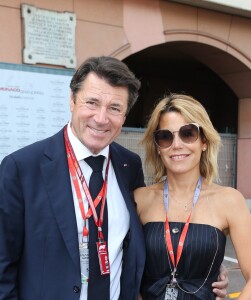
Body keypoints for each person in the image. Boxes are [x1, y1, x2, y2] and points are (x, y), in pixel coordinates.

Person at [0, 57, 228, 300]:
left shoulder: (128, 165)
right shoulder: (22, 168)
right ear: (72, 100)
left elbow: (144, 244)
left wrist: (204, 266)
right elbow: (3, 268)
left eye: (114, 108)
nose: (101, 118)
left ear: (125, 115)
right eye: (92, 102)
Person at [134, 94, 251, 299]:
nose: (177, 145)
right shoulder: (140, 200)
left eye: (188, 133)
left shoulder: (229, 200)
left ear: (204, 141)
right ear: (157, 146)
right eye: (165, 136)